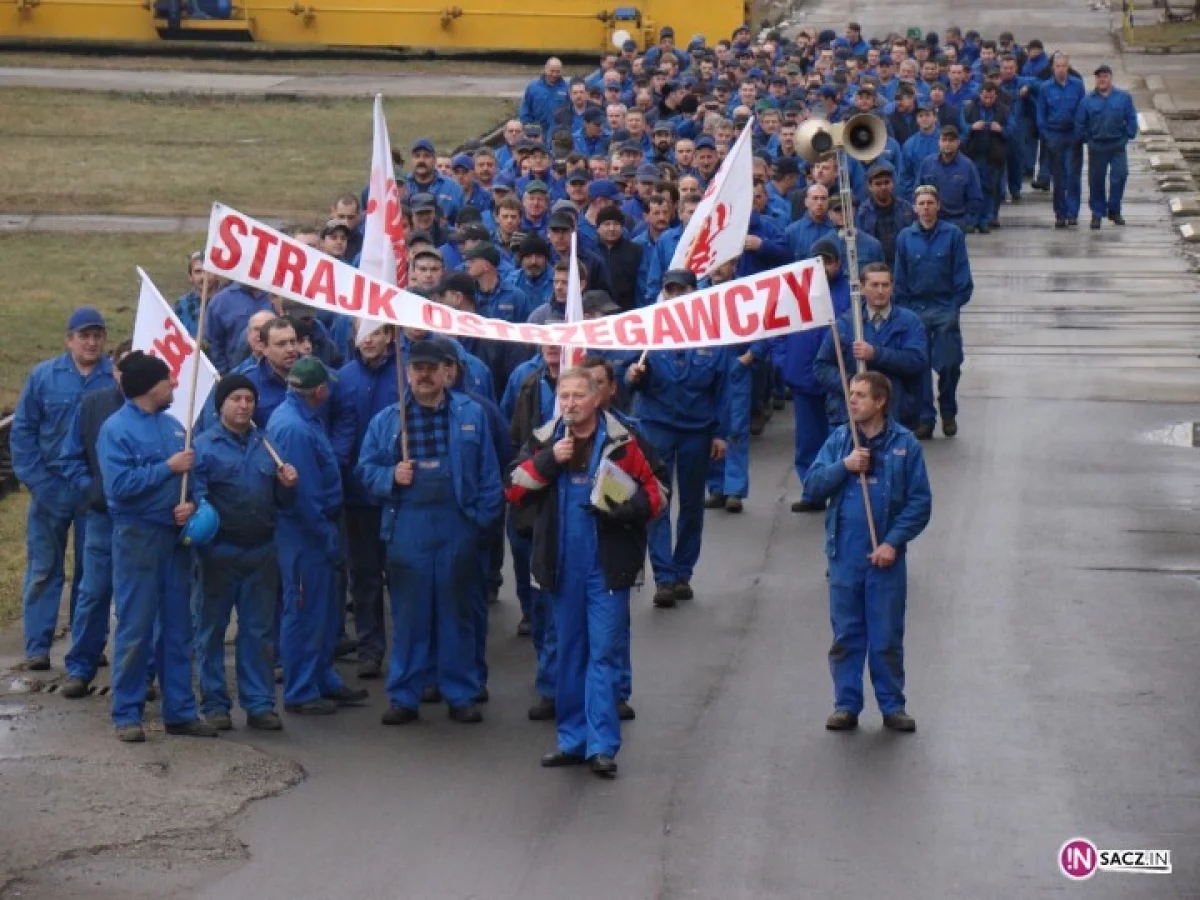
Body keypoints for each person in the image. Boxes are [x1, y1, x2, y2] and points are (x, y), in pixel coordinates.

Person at [505, 366, 665, 778]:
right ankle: (572, 741)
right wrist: (548, 461)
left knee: (604, 655)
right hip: (561, 567)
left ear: (597, 397)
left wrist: (620, 510)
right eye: (565, 396)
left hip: (606, 569)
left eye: (579, 395)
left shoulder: (623, 441)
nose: (571, 404)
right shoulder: (545, 438)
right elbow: (515, 488)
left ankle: (602, 746)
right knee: (569, 654)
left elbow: (657, 492)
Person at [356, 340, 503, 725]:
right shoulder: (389, 420)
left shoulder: (471, 414)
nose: (424, 374)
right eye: (417, 367)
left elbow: (489, 475)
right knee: (410, 616)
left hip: (458, 523)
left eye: (431, 368)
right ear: (407, 372)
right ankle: (405, 695)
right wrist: (391, 475)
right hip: (408, 525)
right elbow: (365, 470)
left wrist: (481, 523)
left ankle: (462, 693)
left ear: (446, 372)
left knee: (457, 614)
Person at [803, 371, 932, 733]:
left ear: (881, 402)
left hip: (885, 558)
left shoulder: (905, 445)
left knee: (886, 636)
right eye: (851, 393)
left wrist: (893, 542)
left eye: (861, 395)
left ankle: (893, 706)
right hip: (844, 553)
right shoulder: (841, 440)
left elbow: (919, 503)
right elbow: (812, 486)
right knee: (846, 634)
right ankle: (846, 705)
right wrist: (844, 467)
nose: (853, 401)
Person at [96, 351, 213, 743]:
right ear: (150, 387)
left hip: (174, 537)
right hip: (137, 537)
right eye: (168, 380)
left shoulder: (175, 426)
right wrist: (168, 468)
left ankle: (179, 710)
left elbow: (191, 480)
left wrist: (190, 503)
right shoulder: (116, 430)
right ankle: (126, 712)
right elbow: (118, 488)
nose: (174, 386)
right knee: (136, 626)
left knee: (178, 627)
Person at [11, 306, 116, 670]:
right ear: (69, 340)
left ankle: (87, 646)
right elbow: (22, 431)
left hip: (93, 491)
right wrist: (38, 482)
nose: (91, 342)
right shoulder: (43, 377)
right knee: (44, 569)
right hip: (50, 488)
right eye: (83, 335)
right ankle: (37, 648)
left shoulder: (114, 379)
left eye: (97, 335)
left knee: (92, 574)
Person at [192, 375, 297, 731]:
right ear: (221, 404)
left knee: (257, 632)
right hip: (218, 553)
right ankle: (215, 702)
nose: (243, 405)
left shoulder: (267, 444)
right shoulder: (203, 448)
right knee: (211, 631)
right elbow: (195, 500)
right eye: (235, 398)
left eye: (249, 399)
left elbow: (282, 501)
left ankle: (259, 703)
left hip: (261, 552)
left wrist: (287, 486)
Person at [267, 358, 369, 716]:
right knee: (304, 609)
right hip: (306, 531)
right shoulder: (295, 428)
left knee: (323, 609)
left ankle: (322, 676)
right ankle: (300, 689)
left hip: (314, 526)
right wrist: (325, 534)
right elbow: (304, 494)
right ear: (320, 391)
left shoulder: (300, 418)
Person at [626, 270, 728, 608]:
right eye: (670, 290)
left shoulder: (712, 335)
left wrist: (721, 434)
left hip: (697, 430)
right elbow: (628, 379)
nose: (676, 295)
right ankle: (664, 577)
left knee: (692, 505)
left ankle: (684, 570)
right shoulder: (650, 330)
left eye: (682, 289)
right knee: (657, 501)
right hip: (657, 427)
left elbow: (724, 389)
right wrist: (634, 376)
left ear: (694, 292)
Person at [59, 340, 132, 697]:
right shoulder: (92, 405)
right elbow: (70, 456)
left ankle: (137, 673)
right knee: (92, 593)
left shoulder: (162, 410)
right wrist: (91, 491)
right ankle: (81, 667)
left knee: (137, 599)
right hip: (101, 518)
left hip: (141, 521)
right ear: (114, 370)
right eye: (124, 367)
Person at [334, 325, 399, 679]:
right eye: (363, 333)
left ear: (390, 335)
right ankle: (370, 648)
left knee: (402, 576)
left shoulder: (404, 373)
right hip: (358, 496)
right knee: (364, 577)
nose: (369, 340)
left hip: (400, 495)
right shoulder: (343, 378)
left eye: (376, 333)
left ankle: (407, 651)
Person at [774, 240, 852, 513]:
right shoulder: (795, 291)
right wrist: (784, 363)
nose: (823, 266)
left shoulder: (850, 293)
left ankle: (840, 492)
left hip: (837, 380)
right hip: (804, 377)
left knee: (839, 437)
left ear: (838, 264)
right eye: (818, 260)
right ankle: (812, 492)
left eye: (828, 261)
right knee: (807, 440)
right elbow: (779, 329)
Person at [893, 185, 974, 439]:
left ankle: (948, 409)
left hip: (944, 307)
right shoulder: (905, 237)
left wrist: (954, 308)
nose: (926, 207)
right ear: (915, 208)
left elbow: (963, 276)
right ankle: (926, 418)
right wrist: (904, 310)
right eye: (921, 203)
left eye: (930, 203)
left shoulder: (953, 235)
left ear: (938, 206)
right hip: (915, 308)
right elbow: (900, 277)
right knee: (920, 367)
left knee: (950, 364)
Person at [813, 263, 928, 430]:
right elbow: (822, 366)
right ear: (861, 287)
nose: (880, 291)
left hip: (896, 415)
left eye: (885, 285)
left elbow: (917, 361)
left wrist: (876, 354)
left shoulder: (910, 322)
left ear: (892, 287)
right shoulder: (845, 324)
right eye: (874, 285)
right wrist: (854, 384)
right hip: (849, 418)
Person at [1076, 64, 1138, 229]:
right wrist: (1087, 140)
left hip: (1117, 144)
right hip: (1097, 146)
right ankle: (1097, 213)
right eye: (1099, 77)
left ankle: (1114, 209)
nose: (1102, 79)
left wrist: (1129, 135)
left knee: (1121, 175)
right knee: (1096, 181)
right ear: (1095, 79)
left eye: (1105, 76)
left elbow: (1131, 118)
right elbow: (1080, 123)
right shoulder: (1087, 101)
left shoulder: (1123, 97)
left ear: (1111, 78)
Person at [1036, 53, 1086, 228]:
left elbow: (1082, 111)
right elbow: (1041, 114)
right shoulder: (1045, 88)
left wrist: (1079, 133)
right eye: (1057, 66)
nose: (1060, 69)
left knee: (1073, 176)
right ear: (1053, 68)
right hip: (1055, 135)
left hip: (1073, 135)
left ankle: (1072, 213)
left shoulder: (1078, 86)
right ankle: (1060, 213)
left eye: (1063, 66)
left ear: (1068, 67)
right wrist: (1046, 136)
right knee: (1059, 178)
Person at [961, 83, 1012, 233]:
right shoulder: (969, 108)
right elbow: (961, 127)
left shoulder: (1004, 110)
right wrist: (971, 127)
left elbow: (1012, 130)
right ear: (980, 94)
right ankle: (972, 220)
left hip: (994, 156)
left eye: (990, 97)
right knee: (972, 189)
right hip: (974, 155)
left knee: (991, 189)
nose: (987, 100)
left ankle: (985, 220)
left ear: (995, 96)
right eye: (984, 96)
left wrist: (1001, 129)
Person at [915, 126, 982, 231]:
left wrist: (967, 221)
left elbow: (975, 198)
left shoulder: (967, 166)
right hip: (930, 221)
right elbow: (917, 191)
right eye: (944, 140)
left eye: (951, 140)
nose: (947, 143)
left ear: (958, 142)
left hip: (956, 223)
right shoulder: (927, 163)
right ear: (939, 142)